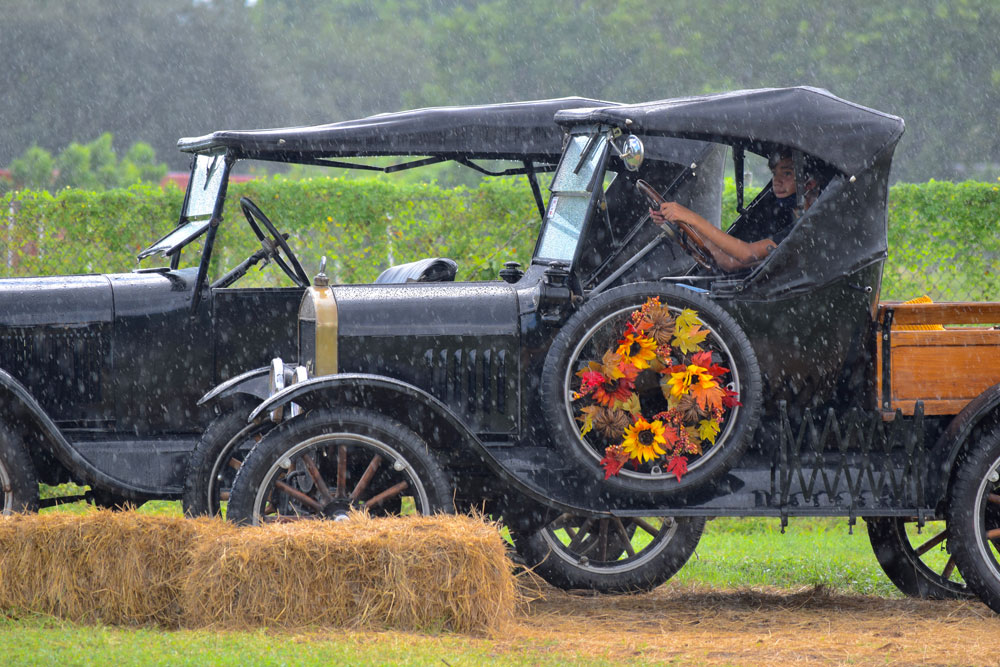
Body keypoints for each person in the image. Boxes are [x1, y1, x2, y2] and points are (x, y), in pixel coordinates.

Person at [650, 151, 819, 272]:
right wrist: (683, 226)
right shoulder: (783, 217)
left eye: (787, 173)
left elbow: (747, 254)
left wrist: (691, 217)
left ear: (809, 183)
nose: (777, 181)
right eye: (774, 174)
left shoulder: (810, 225)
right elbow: (730, 263)